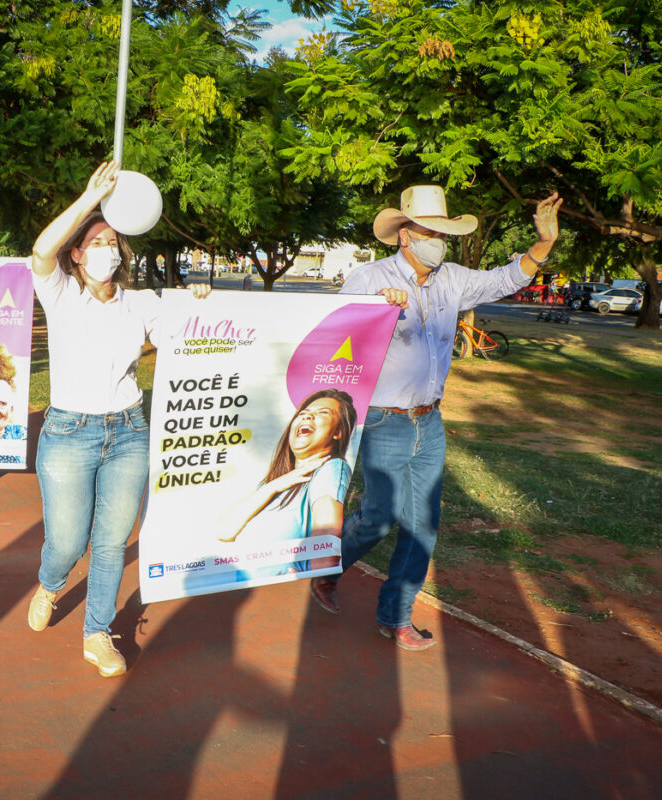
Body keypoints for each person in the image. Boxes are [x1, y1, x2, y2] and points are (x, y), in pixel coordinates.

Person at [309, 185, 563, 651]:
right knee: (379, 515)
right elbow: (330, 340)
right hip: (384, 418)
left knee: (423, 524)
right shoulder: (369, 278)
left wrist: (543, 242)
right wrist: (372, 314)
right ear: (405, 235)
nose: (439, 240)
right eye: (430, 231)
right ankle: (326, 566)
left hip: (429, 419)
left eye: (444, 232)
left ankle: (396, 617)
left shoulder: (454, 278)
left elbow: (508, 278)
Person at [26, 161, 210, 677]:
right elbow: (42, 252)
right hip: (68, 433)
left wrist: (197, 303)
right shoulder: (60, 293)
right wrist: (90, 200)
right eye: (97, 242)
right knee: (65, 541)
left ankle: (97, 634)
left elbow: (185, 338)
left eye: (114, 242)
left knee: (109, 542)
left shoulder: (141, 302)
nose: (108, 249)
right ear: (79, 254)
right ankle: (50, 582)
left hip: (128, 432)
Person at [217, 390, 356, 580]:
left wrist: (315, 582)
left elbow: (326, 532)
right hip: (239, 586)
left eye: (323, 412)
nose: (308, 415)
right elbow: (224, 531)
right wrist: (273, 486)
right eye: (302, 414)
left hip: (274, 590)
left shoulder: (330, 468)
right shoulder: (276, 483)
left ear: (338, 432)